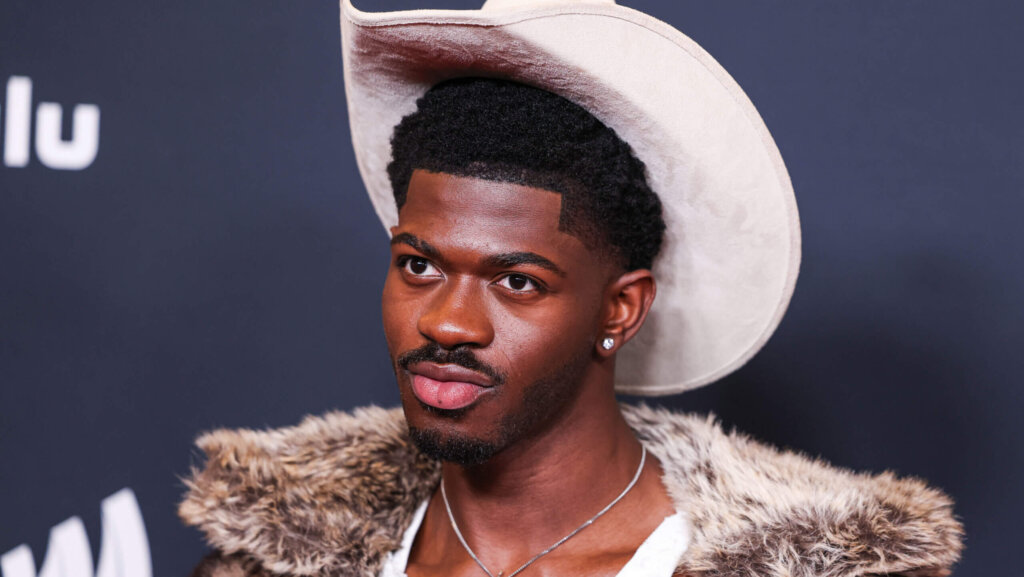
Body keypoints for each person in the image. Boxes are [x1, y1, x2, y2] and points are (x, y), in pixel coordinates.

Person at [179, 1, 964, 576]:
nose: (447, 322)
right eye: (419, 266)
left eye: (517, 280)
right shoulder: (266, 559)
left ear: (620, 309)